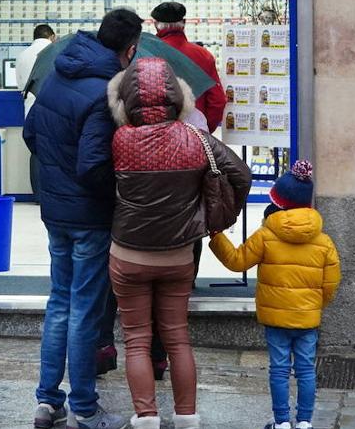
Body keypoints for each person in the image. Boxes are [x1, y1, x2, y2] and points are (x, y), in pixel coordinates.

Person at [106, 57, 252, 429]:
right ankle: (186, 415)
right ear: (179, 98)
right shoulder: (197, 138)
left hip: (128, 255)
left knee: (137, 340)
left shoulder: (120, 140)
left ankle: (146, 417)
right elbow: (242, 176)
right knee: (178, 338)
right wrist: (209, 216)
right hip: (178, 256)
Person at [23, 9, 143, 429]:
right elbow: (94, 164)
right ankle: (86, 409)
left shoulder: (58, 72)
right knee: (85, 309)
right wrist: (119, 191)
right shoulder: (106, 91)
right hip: (89, 216)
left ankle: (48, 401)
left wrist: (57, 176)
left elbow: (31, 134)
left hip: (55, 210)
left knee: (59, 301)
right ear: (130, 49)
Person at [209, 160, 341, 429]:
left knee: (279, 370)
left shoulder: (266, 235)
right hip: (307, 319)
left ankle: (282, 422)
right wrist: (314, 305)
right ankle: (304, 421)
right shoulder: (324, 241)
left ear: (278, 204)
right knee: (305, 370)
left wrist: (216, 236)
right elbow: (330, 284)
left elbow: (236, 262)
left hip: (275, 319)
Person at [150, 2, 227, 132]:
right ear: (184, 23)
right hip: (194, 133)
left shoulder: (148, 55)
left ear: (156, 25)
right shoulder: (204, 55)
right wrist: (204, 129)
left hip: (158, 133)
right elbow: (217, 101)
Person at [17, 23, 56, 201]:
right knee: (54, 150)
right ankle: (51, 192)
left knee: (35, 150)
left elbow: (20, 85)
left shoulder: (22, 55)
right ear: (52, 36)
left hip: (30, 104)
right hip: (52, 104)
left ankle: (38, 194)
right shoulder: (54, 51)